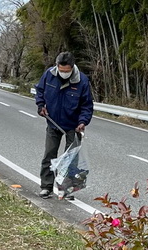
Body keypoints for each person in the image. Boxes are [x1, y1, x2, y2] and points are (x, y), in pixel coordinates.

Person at [35, 52, 93, 199]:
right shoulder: (49, 75)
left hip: (73, 126)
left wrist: (82, 122)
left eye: (67, 71)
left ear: (72, 68)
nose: (64, 73)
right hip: (53, 122)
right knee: (49, 154)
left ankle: (67, 189)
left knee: (71, 159)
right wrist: (41, 105)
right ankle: (46, 187)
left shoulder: (82, 81)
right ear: (57, 66)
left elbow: (87, 105)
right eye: (61, 70)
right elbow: (40, 90)